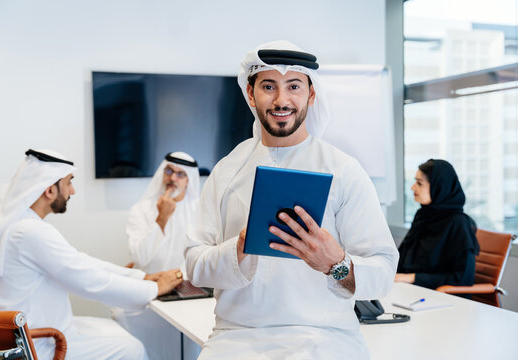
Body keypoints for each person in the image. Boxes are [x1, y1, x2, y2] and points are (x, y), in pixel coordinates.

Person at [184, 40, 399, 359]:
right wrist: (239, 248)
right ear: (250, 93)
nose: (281, 100)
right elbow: (193, 265)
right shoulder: (227, 171)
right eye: (268, 86)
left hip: (327, 337)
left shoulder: (344, 170)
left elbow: (382, 272)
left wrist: (335, 263)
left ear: (311, 95)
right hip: (237, 337)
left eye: (294, 86)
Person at [0, 149, 183, 360]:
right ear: (49, 190)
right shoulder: (30, 232)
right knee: (132, 348)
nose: (73, 191)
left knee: (116, 329)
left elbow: (79, 261)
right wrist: (154, 288)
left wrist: (142, 277)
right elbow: (89, 280)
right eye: (69, 183)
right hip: (36, 344)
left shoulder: (10, 227)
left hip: (14, 340)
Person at [113, 151, 200, 360]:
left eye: (180, 174)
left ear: (189, 180)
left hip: (188, 291)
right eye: (169, 171)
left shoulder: (200, 211)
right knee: (120, 314)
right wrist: (161, 218)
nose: (172, 178)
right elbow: (140, 258)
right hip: (149, 289)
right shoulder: (141, 210)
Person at [395, 159, 479, 290]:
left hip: (443, 298)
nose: (413, 187)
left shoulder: (458, 223)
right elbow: (403, 258)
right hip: (410, 289)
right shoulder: (423, 215)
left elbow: (462, 278)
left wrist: (412, 278)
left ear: (438, 186)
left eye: (419, 183)